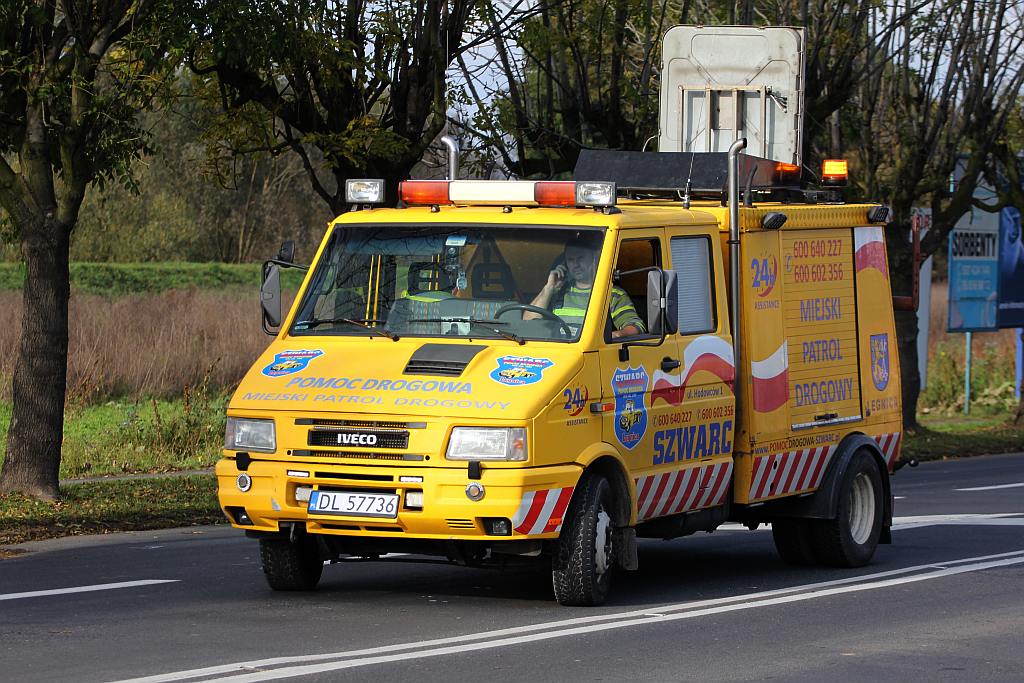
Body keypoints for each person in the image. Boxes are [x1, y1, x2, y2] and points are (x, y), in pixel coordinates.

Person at [526, 236, 645, 338]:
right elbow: (527, 321)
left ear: (594, 259)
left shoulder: (612, 294)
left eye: (580, 258)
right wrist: (549, 287)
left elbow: (636, 327)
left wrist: (614, 336)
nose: (576, 264)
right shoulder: (558, 292)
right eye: (570, 260)